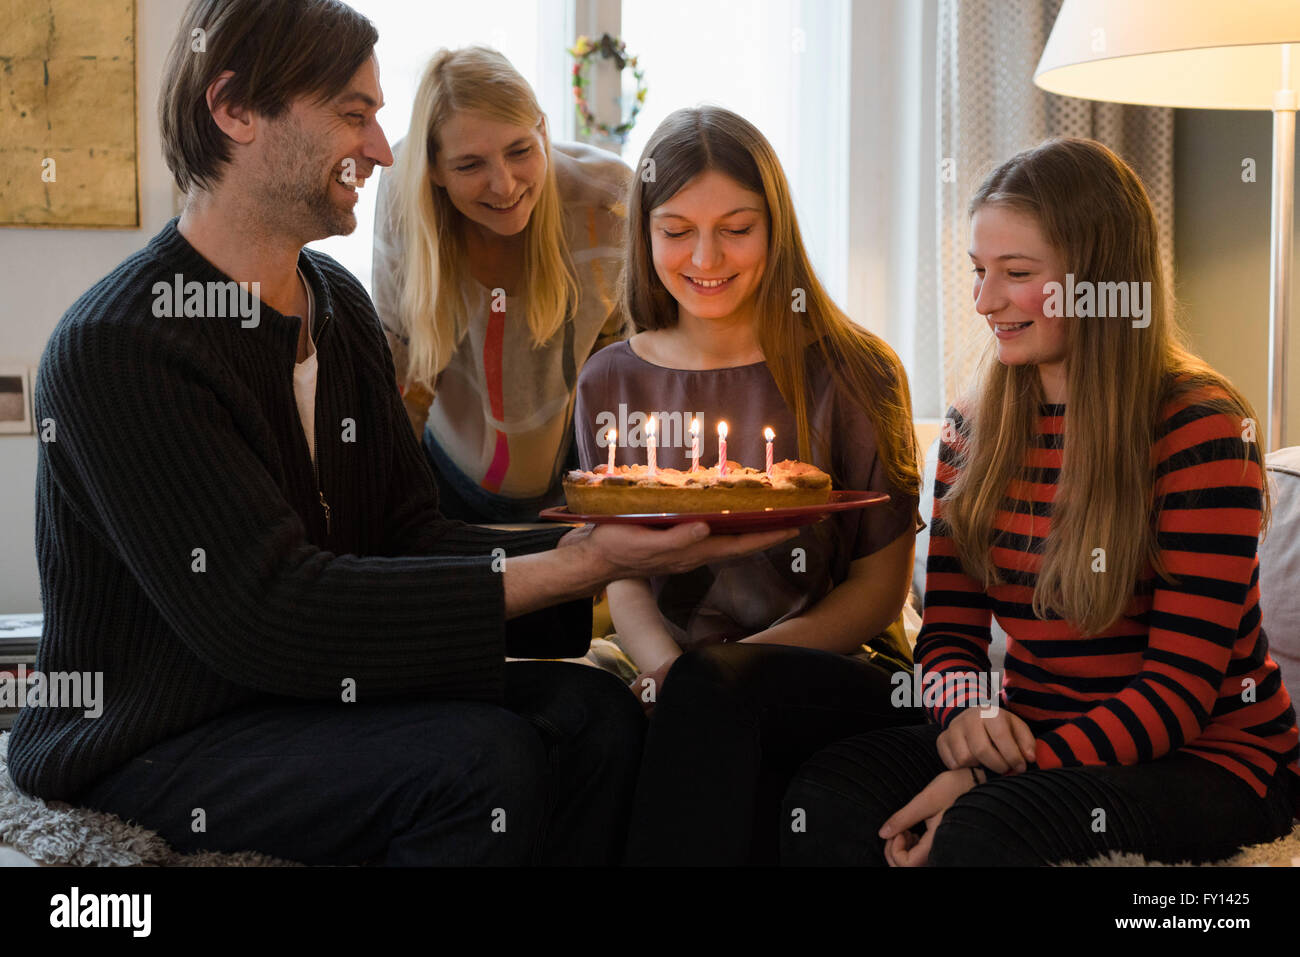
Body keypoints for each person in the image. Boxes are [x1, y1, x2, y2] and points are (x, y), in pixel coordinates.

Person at [6, 0, 792, 867]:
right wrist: (583, 566)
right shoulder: (121, 347)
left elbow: (405, 537)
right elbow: (268, 614)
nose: (381, 148)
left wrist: (611, 544)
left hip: (300, 700)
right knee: (478, 766)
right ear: (234, 111)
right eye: (354, 114)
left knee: (596, 716)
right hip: (158, 737)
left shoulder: (335, 308)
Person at [782, 137, 1300, 867]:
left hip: (1212, 760)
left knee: (985, 829)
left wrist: (984, 772)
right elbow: (951, 634)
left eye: (1016, 274)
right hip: (1033, 730)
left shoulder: (1199, 428)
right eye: (978, 271)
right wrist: (966, 715)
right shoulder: (972, 427)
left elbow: (1177, 694)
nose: (983, 301)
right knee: (829, 796)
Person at [572, 106, 926, 865]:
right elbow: (622, 572)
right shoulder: (611, 378)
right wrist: (671, 671)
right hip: (668, 664)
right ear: (645, 231)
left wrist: (721, 678)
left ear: (776, 228)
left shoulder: (857, 372)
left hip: (838, 668)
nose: (706, 255)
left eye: (737, 227)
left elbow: (877, 588)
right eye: (676, 230)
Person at [371, 46, 630, 524]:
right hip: (442, 480)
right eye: (470, 165)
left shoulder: (607, 200)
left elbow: (623, 369)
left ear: (544, 133)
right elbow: (401, 373)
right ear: (434, 170)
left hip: (576, 482)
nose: (505, 186)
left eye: (520, 151)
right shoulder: (405, 195)